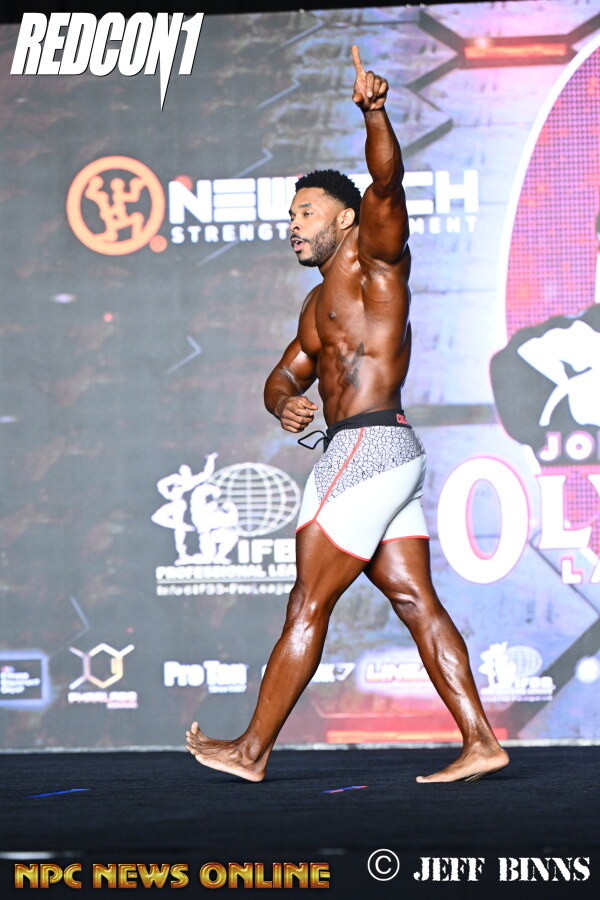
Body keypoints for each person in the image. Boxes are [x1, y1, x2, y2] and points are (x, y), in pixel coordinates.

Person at [186, 45, 509, 783]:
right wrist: (285, 404)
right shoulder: (314, 305)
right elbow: (281, 377)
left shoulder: (376, 258)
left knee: (308, 600)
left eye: (305, 213)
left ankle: (251, 751)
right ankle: (481, 741)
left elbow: (387, 181)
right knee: (415, 600)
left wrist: (375, 114)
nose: (293, 225)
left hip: (365, 452)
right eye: (289, 216)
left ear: (345, 216)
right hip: (385, 454)